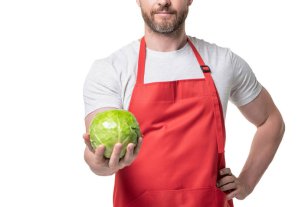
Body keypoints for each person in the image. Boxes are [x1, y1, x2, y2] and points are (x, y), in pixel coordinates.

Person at [82, 0, 285, 206]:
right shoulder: (111, 69)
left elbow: (271, 120)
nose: (163, 2)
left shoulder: (223, 62)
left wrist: (246, 183)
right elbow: (98, 152)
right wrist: (103, 164)